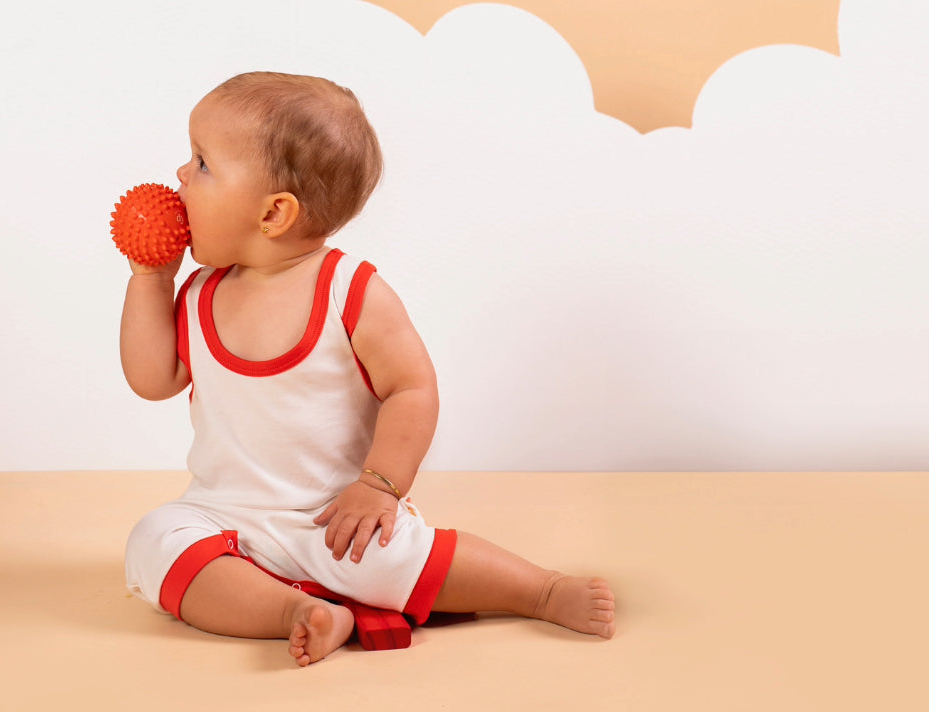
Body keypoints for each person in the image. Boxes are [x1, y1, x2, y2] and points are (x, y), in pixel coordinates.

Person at [121, 71, 615, 667]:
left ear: (274, 213)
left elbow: (412, 387)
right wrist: (151, 279)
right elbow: (152, 380)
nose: (179, 174)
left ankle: (539, 590)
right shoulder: (201, 291)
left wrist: (379, 486)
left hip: (335, 520)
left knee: (400, 557)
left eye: (202, 163)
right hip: (222, 515)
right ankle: (296, 611)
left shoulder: (349, 291)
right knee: (154, 541)